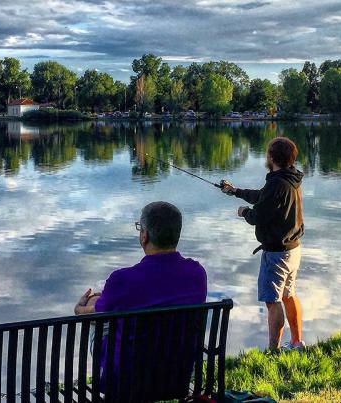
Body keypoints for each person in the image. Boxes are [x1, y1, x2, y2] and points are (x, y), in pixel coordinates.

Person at [74, 201, 207, 389]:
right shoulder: (196, 273)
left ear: (144, 235)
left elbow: (96, 312)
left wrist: (80, 309)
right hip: (177, 375)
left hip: (127, 378)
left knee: (98, 314)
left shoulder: (122, 280)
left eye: (140, 228)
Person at [221, 137, 305, 351]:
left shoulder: (277, 183)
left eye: (268, 154)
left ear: (271, 157)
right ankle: (297, 342)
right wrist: (236, 192)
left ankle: (273, 351)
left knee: (272, 301)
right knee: (288, 295)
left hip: (277, 253)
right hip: (293, 249)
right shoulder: (289, 179)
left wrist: (243, 213)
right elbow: (262, 196)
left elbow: (259, 215)